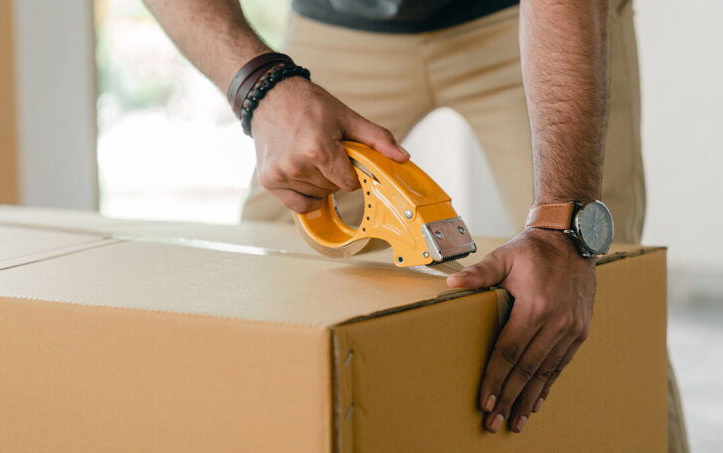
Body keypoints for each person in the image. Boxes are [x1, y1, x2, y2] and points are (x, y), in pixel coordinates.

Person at [144, 0, 687, 449]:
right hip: (340, 23)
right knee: (279, 269)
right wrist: (260, 84)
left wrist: (562, 225)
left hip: (523, 17)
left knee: (597, 288)